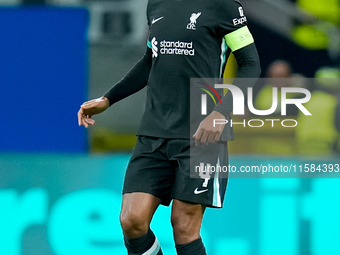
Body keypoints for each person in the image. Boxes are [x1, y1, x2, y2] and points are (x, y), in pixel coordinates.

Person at [78, 0, 261, 254]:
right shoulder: (156, 5)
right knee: (132, 220)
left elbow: (251, 64)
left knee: (184, 226)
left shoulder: (224, 6)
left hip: (202, 134)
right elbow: (150, 61)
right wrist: (108, 98)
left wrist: (221, 113)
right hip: (154, 131)